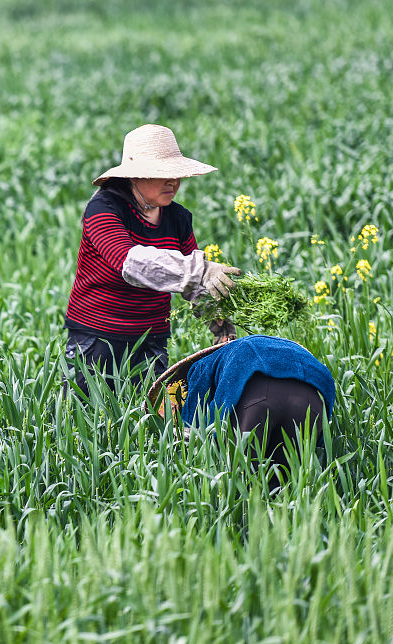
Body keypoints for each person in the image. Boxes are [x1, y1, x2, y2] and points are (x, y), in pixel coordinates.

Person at [64, 123, 241, 395]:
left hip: (152, 338)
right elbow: (130, 263)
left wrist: (218, 323)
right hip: (97, 336)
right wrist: (202, 268)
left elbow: (192, 284)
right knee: (87, 418)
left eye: (176, 174)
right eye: (162, 174)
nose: (173, 182)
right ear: (135, 176)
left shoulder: (178, 217)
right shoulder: (103, 209)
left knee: (149, 420)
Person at [149, 335, 335, 482]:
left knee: (242, 485)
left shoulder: (202, 366)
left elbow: (197, 421)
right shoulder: (266, 349)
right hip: (314, 401)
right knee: (287, 487)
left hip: (259, 399)